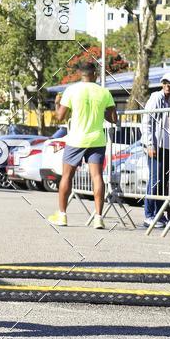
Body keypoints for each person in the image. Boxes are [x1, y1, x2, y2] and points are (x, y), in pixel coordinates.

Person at [48, 61, 117, 230]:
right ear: (95, 74)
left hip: (76, 140)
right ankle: (98, 218)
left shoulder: (71, 90)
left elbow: (60, 117)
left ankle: (62, 216)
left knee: (66, 176)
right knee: (97, 177)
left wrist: (57, 104)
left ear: (80, 74)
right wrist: (102, 112)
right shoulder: (104, 92)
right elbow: (113, 119)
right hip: (97, 140)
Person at [141, 73, 170, 229]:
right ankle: (149, 215)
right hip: (156, 146)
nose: (167, 86)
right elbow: (146, 122)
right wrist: (149, 145)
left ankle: (159, 215)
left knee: (162, 182)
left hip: (166, 147)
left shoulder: (169, 100)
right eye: (165, 83)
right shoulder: (155, 98)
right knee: (154, 180)